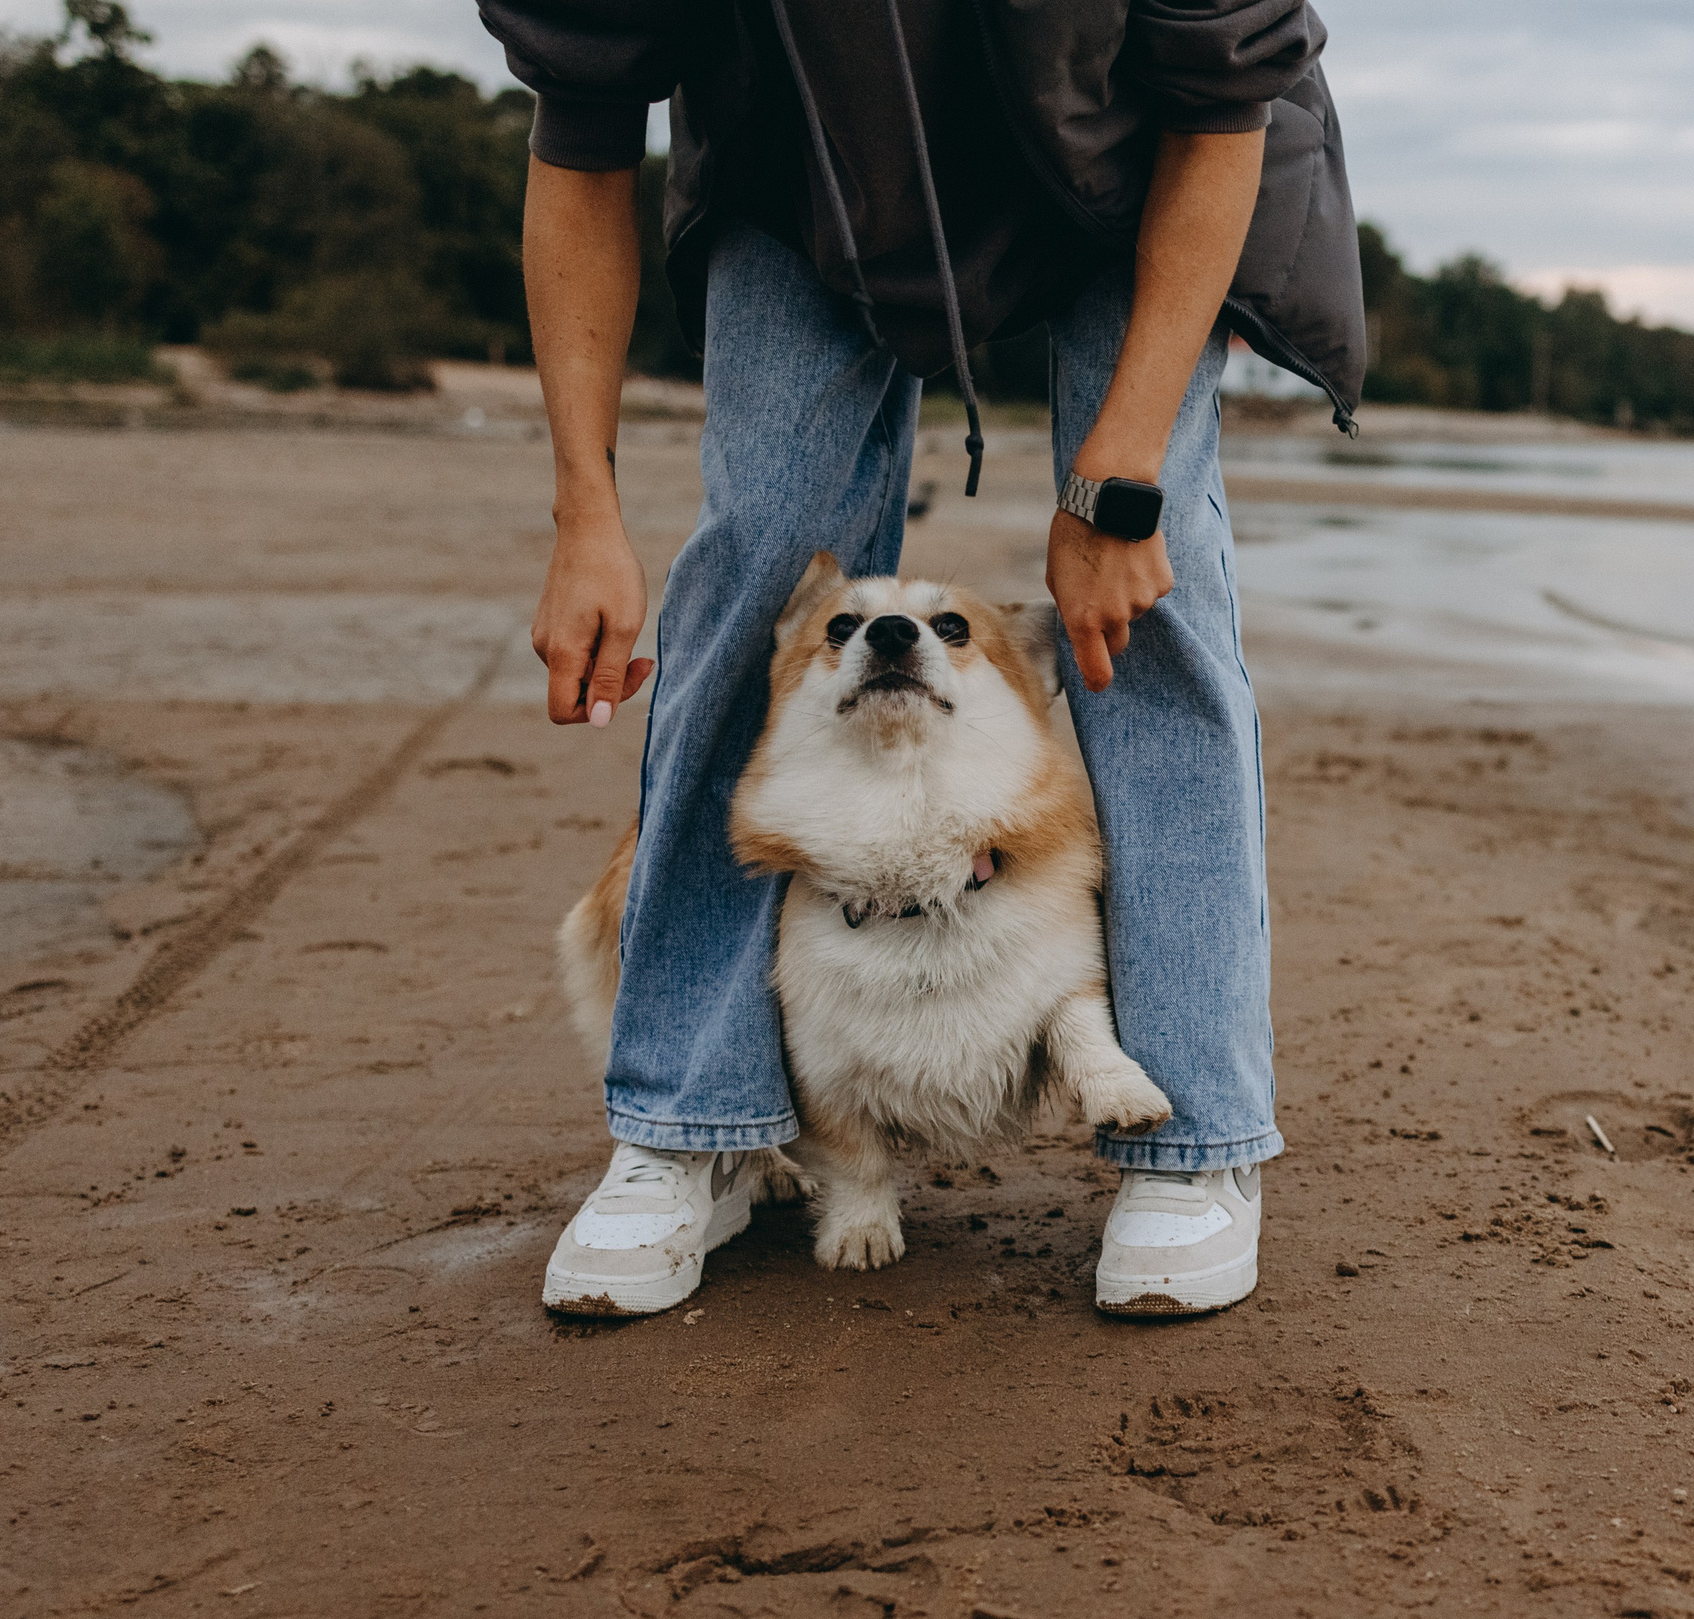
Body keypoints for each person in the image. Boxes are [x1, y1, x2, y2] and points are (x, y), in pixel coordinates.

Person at [478, 0, 1364, 1317]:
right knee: (762, 558)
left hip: (1149, 163)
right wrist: (585, 515)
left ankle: (1194, 1143)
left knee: (1151, 593)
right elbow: (584, 135)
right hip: (801, 169)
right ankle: (694, 1121)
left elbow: (1220, 109)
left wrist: (1113, 489)